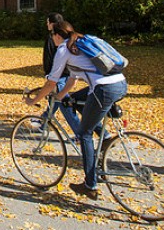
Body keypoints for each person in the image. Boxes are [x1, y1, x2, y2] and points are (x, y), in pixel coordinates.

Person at [25, 21, 128, 200]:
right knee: (73, 101)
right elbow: (72, 81)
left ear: (57, 35)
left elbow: (51, 83)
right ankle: (104, 137)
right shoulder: (80, 42)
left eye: (52, 36)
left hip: (103, 89)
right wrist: (60, 98)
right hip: (120, 84)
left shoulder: (64, 49)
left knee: (84, 134)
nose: (52, 40)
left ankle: (90, 185)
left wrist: (33, 100)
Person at [41, 13, 82, 139]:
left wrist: (48, 74)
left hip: (59, 76)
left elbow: (49, 58)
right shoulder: (67, 39)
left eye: (48, 22)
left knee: (65, 105)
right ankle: (44, 122)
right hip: (65, 75)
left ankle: (81, 134)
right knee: (56, 100)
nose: (47, 24)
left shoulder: (54, 39)